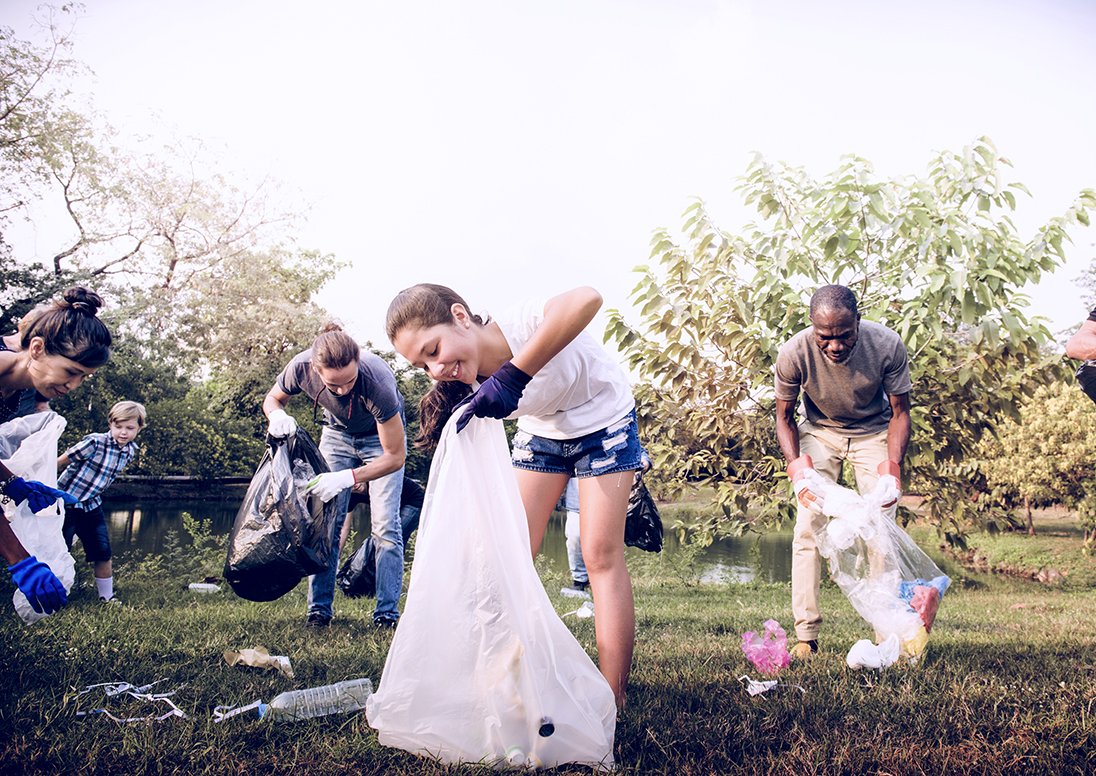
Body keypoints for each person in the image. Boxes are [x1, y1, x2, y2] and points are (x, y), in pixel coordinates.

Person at [387, 283, 640, 707]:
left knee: (599, 554)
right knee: (509, 552)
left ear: (461, 316)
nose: (435, 369)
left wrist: (513, 374)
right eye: (422, 365)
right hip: (543, 433)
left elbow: (587, 299)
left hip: (604, 418)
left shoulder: (522, 320)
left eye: (433, 350)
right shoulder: (468, 384)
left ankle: (613, 695)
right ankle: (502, 676)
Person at [774, 284, 912, 659]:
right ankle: (806, 635)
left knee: (880, 526)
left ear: (858, 323)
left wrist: (891, 471)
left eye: (844, 335)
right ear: (812, 328)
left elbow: (901, 414)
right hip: (819, 432)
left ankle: (886, 635)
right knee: (808, 526)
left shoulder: (886, 345)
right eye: (825, 337)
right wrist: (799, 471)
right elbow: (784, 418)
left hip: (873, 432)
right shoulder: (794, 352)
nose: (835, 345)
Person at [263, 324, 407, 629]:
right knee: (325, 525)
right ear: (316, 370)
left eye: (349, 381)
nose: (343, 391)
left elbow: (395, 457)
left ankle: (386, 615)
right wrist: (277, 415)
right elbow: (272, 399)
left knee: (386, 527)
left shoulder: (376, 381)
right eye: (333, 386)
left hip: (378, 439)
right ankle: (319, 611)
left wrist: (346, 478)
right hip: (335, 436)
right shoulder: (300, 367)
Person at [0, 287, 112, 615]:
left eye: (83, 377)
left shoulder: (11, 392)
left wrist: (12, 483)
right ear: (36, 348)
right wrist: (20, 561)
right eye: (71, 372)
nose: (73, 385)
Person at [58, 400, 146, 603]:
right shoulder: (95, 443)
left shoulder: (130, 451)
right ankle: (53, 597)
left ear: (139, 428)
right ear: (110, 424)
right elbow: (61, 461)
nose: (123, 432)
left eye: (130, 428)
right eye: (118, 426)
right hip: (65, 505)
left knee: (103, 552)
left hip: (91, 505)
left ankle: (106, 597)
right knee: (60, 551)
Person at [559, 477, 591, 599]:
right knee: (574, 536)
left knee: (605, 543)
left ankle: (603, 581)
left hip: (605, 498)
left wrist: (644, 460)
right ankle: (579, 581)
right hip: (575, 498)